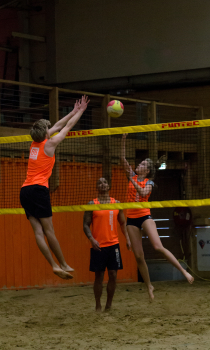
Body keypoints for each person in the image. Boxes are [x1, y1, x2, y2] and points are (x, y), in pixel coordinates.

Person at [20, 95, 89, 280]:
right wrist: (81, 111)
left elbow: (57, 125)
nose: (51, 129)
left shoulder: (34, 144)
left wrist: (72, 111)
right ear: (45, 133)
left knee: (38, 232)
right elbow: (66, 127)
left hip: (25, 191)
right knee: (49, 231)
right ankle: (63, 263)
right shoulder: (50, 144)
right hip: (38, 190)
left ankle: (53, 265)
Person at [120, 133, 194, 301]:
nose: (139, 164)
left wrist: (132, 180)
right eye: (140, 162)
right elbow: (122, 158)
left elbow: (142, 192)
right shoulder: (132, 175)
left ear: (147, 170)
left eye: (143, 164)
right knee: (138, 256)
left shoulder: (149, 183)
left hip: (145, 216)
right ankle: (149, 286)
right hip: (131, 219)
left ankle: (184, 272)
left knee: (157, 246)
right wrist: (124, 140)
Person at [83, 177, 131, 311]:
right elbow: (85, 225)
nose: (102, 184)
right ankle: (98, 304)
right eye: (99, 182)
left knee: (113, 275)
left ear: (109, 186)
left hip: (113, 245)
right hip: (98, 245)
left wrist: (127, 239)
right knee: (98, 276)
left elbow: (122, 223)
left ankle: (108, 305)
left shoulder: (116, 203)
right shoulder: (92, 204)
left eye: (104, 182)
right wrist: (92, 239)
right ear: (97, 187)